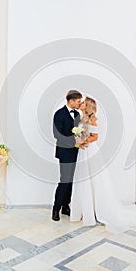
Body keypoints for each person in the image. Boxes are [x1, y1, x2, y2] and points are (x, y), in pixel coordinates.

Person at [70, 96, 136, 233]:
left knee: (94, 179)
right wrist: (79, 140)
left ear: (89, 105)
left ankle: (98, 209)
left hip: (90, 151)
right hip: (83, 151)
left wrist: (85, 141)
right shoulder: (81, 118)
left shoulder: (92, 119)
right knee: (83, 179)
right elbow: (82, 134)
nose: (81, 103)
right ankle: (86, 209)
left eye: (84, 102)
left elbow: (95, 136)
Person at [52, 90, 83, 221]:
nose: (80, 103)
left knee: (70, 181)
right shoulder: (59, 114)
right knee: (64, 180)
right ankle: (56, 208)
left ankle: (66, 206)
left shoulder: (77, 114)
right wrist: (74, 140)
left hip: (75, 152)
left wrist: (82, 139)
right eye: (78, 101)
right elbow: (57, 135)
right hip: (64, 152)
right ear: (71, 101)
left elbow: (79, 132)